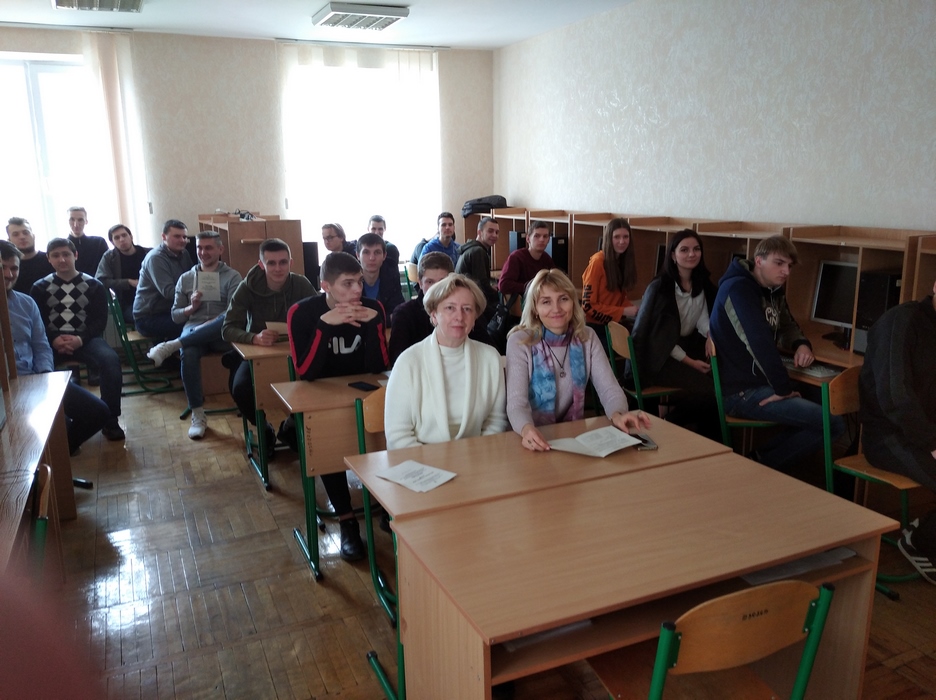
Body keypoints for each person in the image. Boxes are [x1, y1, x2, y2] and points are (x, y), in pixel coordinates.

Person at [709, 235, 844, 472]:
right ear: (759, 261)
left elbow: (786, 324)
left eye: (789, 266)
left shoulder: (773, 289)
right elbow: (758, 342)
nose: (786, 272)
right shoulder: (738, 289)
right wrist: (783, 389)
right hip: (741, 392)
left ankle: (759, 460)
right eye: (779, 263)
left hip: (761, 383)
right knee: (832, 424)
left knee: (820, 402)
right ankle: (760, 468)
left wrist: (801, 344)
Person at [287, 251, 388, 561]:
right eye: (347, 284)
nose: (357, 290)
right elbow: (306, 372)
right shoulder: (302, 313)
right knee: (327, 440)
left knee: (385, 432)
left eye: (359, 282)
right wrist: (325, 326)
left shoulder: (372, 308)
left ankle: (388, 504)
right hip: (321, 395)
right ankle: (347, 520)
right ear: (326, 286)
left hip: (362, 394)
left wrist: (373, 325)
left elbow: (380, 366)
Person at [506, 268, 650, 450]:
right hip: (529, 437)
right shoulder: (520, 342)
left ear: (573, 303)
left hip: (573, 436)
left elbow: (609, 389)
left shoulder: (587, 337)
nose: (556, 309)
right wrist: (526, 429)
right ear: (535, 309)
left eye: (563, 299)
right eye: (546, 302)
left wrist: (618, 414)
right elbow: (516, 403)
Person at [859, 278, 936, 584]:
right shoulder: (900, 322)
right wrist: (932, 442)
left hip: (925, 433)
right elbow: (895, 397)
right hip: (889, 436)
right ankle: (918, 541)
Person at [1, 241, 109, 455]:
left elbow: (40, 344)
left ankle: (55, 454)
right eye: (2, 267)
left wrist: (44, 377)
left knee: (99, 413)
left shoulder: (26, 303)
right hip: (4, 387)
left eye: (14, 268)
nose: (9, 274)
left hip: (33, 378)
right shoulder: (41, 287)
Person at [386, 274, 507, 449]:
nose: (459, 317)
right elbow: (398, 435)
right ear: (434, 315)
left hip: (477, 456)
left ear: (475, 317)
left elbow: (496, 422)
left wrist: (476, 458)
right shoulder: (408, 362)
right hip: (421, 459)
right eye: (450, 308)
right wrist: (435, 463)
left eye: (467, 309)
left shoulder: (491, 358)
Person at [146, 231, 243, 439]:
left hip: (221, 331)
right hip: (193, 328)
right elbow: (175, 316)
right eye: (199, 248)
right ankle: (198, 414)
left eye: (208, 248)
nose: (203, 252)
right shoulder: (186, 278)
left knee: (225, 319)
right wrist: (191, 308)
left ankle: (172, 345)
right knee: (188, 352)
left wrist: (211, 322)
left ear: (220, 249)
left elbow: (234, 313)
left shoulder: (233, 276)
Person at [222, 238, 316, 450]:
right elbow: (227, 328)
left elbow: (318, 316)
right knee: (240, 389)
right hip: (258, 353)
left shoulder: (301, 284)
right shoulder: (247, 287)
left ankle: (290, 426)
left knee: (317, 383)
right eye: (271, 263)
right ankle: (263, 428)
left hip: (294, 351)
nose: (278, 268)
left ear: (291, 263)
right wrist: (254, 338)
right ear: (261, 264)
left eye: (283, 262)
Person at [29, 237, 125, 441]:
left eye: (66, 254)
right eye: (56, 255)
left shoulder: (94, 285)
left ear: (75, 255)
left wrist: (80, 339)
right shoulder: (39, 287)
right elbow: (38, 322)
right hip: (51, 342)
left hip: (86, 340)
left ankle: (110, 419)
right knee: (37, 368)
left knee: (110, 361)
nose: (62, 259)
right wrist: (54, 339)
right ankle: (59, 420)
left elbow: (99, 321)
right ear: (48, 259)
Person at [630, 229, 719, 438]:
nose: (691, 254)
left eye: (696, 249)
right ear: (673, 255)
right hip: (657, 359)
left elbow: (702, 317)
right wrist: (691, 363)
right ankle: (671, 424)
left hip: (680, 350)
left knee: (719, 382)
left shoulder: (701, 283)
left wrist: (710, 334)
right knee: (710, 390)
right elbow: (662, 340)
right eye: (684, 250)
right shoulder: (661, 288)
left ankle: (701, 440)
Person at [389, 252, 493, 365]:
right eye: (429, 282)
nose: (436, 287)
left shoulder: (464, 310)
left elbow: (487, 348)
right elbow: (398, 359)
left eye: (442, 282)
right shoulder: (404, 313)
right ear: (420, 283)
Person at [133, 219, 194, 340]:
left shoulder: (184, 253)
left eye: (184, 237)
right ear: (163, 237)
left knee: (204, 320)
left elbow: (192, 279)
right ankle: (170, 351)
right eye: (177, 236)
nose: (182, 240)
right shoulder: (156, 258)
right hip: (150, 317)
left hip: (171, 310)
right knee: (194, 325)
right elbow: (169, 292)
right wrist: (196, 297)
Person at [581, 217, 637, 325]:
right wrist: (623, 311)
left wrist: (635, 309)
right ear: (609, 238)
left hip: (614, 323)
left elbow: (618, 300)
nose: (622, 241)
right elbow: (588, 306)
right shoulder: (597, 263)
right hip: (596, 325)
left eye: (626, 237)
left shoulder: (622, 261)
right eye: (617, 237)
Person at [95, 224, 151, 323]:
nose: (121, 239)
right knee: (145, 319)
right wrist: (128, 282)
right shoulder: (109, 257)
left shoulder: (148, 253)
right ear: (112, 242)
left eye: (124, 235)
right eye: (117, 238)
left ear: (131, 237)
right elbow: (101, 280)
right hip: (128, 304)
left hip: (154, 299)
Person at [456, 215, 500, 323]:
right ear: (479, 232)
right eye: (490, 231)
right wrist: (499, 293)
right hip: (471, 301)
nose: (494, 235)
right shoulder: (478, 252)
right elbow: (481, 285)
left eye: (497, 232)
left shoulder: (472, 248)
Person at [498, 220, 555, 300]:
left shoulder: (547, 259)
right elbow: (504, 285)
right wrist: (534, 288)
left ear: (549, 240)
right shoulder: (516, 257)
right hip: (522, 302)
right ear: (528, 239)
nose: (541, 239)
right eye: (537, 236)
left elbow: (554, 280)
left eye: (545, 236)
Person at [356, 232, 404, 325]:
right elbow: (352, 317)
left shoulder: (391, 276)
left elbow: (398, 312)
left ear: (384, 256)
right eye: (366, 252)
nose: (372, 258)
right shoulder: (349, 281)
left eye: (377, 252)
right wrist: (386, 318)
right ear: (358, 255)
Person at [6, 217, 53, 294]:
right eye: (15, 234)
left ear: (33, 236)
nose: (22, 237)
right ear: (9, 240)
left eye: (26, 232)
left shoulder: (51, 260)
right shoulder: (8, 268)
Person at [67, 206, 109, 277]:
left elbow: (108, 268)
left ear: (86, 221)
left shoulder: (99, 243)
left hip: (97, 282)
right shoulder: (61, 246)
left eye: (80, 220)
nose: (76, 224)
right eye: (72, 220)